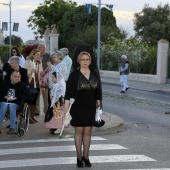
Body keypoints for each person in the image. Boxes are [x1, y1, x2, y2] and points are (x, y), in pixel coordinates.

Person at [64, 47, 102, 168]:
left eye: (87, 59)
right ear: (79, 61)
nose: (85, 61)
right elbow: (68, 93)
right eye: (83, 59)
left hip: (90, 106)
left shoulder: (95, 74)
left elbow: (99, 91)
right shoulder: (74, 75)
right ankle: (79, 158)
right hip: (77, 106)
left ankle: (86, 157)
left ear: (90, 61)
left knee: (88, 131)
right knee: (79, 130)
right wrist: (65, 110)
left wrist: (99, 109)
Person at [0, 70, 28, 134]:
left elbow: (26, 96)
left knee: (12, 105)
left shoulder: (22, 85)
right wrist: (5, 97)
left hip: (15, 104)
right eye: (15, 76)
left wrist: (16, 98)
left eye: (18, 77)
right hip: (4, 103)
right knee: (4, 105)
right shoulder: (5, 84)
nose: (17, 78)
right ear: (11, 77)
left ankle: (12, 128)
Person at [23, 49, 43, 123]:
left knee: (34, 101)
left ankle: (32, 116)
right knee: (29, 102)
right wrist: (30, 72)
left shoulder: (39, 63)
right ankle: (28, 117)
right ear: (33, 55)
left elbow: (41, 73)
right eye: (37, 55)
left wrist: (42, 75)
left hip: (37, 84)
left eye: (39, 55)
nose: (39, 56)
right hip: (30, 84)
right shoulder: (27, 62)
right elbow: (23, 72)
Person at [35, 43, 51, 115]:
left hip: (44, 79)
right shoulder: (35, 55)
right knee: (37, 95)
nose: (38, 48)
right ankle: (37, 111)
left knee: (45, 96)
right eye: (38, 47)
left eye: (40, 47)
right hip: (36, 78)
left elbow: (51, 66)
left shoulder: (47, 56)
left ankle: (46, 111)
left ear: (44, 48)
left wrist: (45, 71)